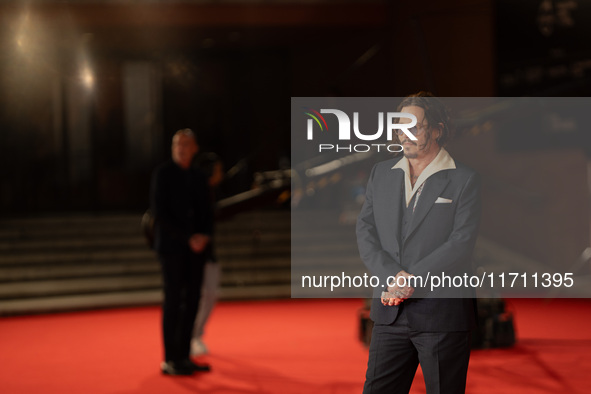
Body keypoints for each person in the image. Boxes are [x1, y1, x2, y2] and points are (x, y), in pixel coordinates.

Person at [356, 93, 481, 394]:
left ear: (437, 130)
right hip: (390, 312)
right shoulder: (381, 174)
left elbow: (461, 241)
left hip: (441, 311)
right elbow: (365, 230)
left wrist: (412, 280)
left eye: (413, 126)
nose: (403, 133)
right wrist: (392, 277)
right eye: (399, 126)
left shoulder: (463, 178)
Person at [150, 128, 214, 376]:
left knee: (192, 302)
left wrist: (204, 236)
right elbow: (159, 212)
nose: (181, 148)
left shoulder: (199, 177)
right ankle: (170, 359)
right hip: (172, 248)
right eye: (177, 143)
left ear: (195, 148)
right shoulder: (163, 174)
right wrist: (188, 238)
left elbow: (208, 212)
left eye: (186, 144)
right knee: (174, 301)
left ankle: (185, 356)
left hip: (196, 250)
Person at [191, 152, 224, 356]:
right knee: (199, 295)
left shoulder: (210, 193)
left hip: (209, 252)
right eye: (218, 169)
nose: (221, 174)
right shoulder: (195, 193)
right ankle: (192, 336)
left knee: (211, 293)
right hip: (194, 251)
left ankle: (196, 333)